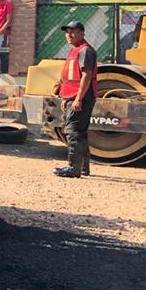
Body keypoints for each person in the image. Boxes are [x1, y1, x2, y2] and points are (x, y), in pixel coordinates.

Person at [53, 20, 98, 179]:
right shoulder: (76, 50)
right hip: (75, 97)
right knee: (80, 133)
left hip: (82, 98)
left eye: (73, 31)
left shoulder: (85, 51)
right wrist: (67, 98)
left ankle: (73, 167)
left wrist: (78, 99)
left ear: (82, 33)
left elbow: (86, 75)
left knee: (73, 132)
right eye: (67, 32)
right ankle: (83, 167)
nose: (69, 35)